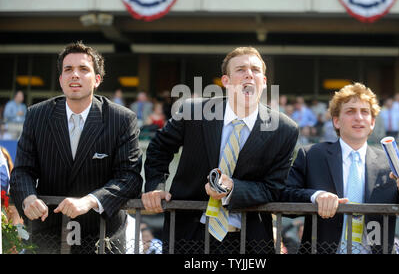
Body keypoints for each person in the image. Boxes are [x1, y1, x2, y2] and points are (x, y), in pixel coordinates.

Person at [141, 46, 299, 254]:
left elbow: (273, 188)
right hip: (189, 234)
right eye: (241, 69)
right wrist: (156, 185)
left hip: (248, 239)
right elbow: (159, 149)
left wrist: (233, 189)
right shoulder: (193, 111)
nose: (249, 74)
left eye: (255, 70)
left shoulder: (284, 129)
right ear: (226, 81)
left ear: (264, 81)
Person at [10, 41, 143, 254]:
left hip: (102, 235)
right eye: (68, 69)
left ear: (97, 80)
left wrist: (90, 201)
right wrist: (28, 198)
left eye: (83, 69)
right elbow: (22, 171)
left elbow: (130, 178)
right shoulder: (37, 115)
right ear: (61, 80)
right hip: (48, 235)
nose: (75, 75)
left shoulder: (121, 119)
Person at [282, 82, 399, 254]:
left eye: (364, 112)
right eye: (350, 111)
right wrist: (316, 196)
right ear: (336, 121)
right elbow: (284, 194)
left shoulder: (388, 161)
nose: (358, 117)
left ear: (372, 122)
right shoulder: (312, 155)